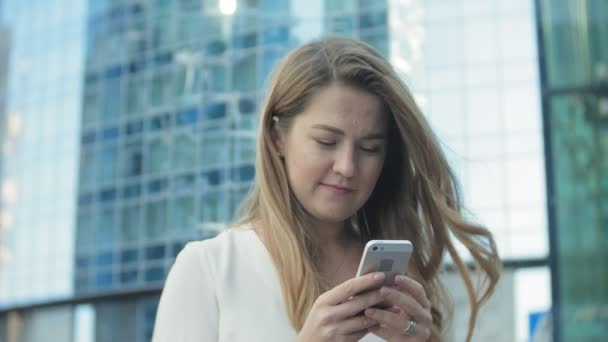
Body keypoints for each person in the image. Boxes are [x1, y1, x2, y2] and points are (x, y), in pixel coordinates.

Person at [152, 37, 501, 342]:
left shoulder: (403, 285)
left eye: (369, 148)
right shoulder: (209, 269)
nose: (347, 167)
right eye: (326, 141)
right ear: (277, 137)